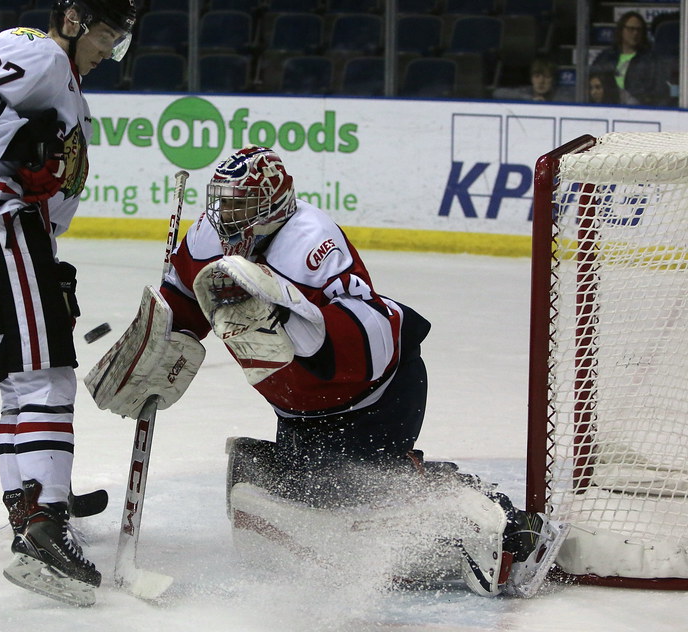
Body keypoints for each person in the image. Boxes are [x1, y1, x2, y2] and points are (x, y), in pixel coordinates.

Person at [86, 147, 568, 598]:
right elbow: (183, 303)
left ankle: (510, 526)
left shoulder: (309, 241)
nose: (225, 218)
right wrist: (155, 344)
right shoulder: (209, 238)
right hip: (298, 407)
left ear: (274, 205)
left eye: (240, 206)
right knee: (311, 500)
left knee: (375, 493)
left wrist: (298, 323)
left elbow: (369, 336)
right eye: (222, 205)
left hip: (375, 398)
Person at [0, 0, 136, 606]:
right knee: (47, 380)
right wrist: (24, 147)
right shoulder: (37, 50)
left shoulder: (62, 79)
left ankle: (34, 504)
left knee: (22, 382)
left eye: (117, 41)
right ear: (71, 20)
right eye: (104, 36)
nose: (107, 51)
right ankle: (46, 524)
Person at [590, 10, 670, 106]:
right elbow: (593, 80)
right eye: (631, 29)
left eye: (639, 30)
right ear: (621, 31)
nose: (635, 33)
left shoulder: (651, 60)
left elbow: (659, 91)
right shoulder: (606, 57)